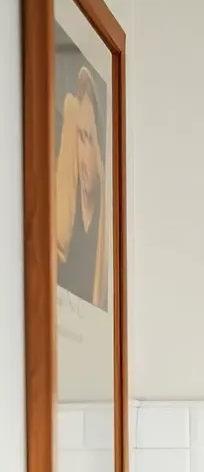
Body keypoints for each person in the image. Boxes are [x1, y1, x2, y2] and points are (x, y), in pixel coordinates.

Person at [55, 65, 108, 309]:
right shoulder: (67, 208)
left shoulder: (105, 231)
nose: (83, 153)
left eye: (89, 138)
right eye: (80, 137)